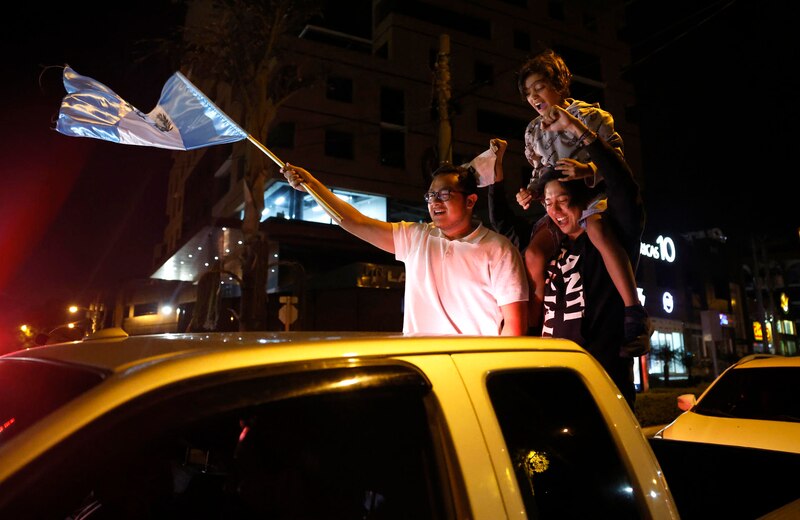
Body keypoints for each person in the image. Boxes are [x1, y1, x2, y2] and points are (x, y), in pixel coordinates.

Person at [280, 162, 529, 336]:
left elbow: (514, 326)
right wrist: (313, 187)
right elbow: (356, 222)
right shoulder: (416, 237)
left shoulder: (498, 249)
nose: (434, 203)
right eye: (430, 197)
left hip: (472, 369)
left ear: (470, 201)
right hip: (421, 365)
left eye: (444, 195)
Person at [514, 49, 650, 349]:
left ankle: (633, 309)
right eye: (528, 93)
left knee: (598, 230)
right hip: (558, 208)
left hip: (592, 200)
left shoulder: (591, 116)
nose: (534, 97)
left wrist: (586, 169)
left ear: (560, 84)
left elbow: (616, 160)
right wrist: (531, 192)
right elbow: (539, 172)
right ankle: (533, 326)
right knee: (534, 254)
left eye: (540, 87)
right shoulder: (532, 131)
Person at [524, 104, 645, 408]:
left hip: (603, 381)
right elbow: (504, 227)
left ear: (582, 199)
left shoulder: (608, 235)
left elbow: (623, 186)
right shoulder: (549, 245)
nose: (556, 211)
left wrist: (581, 132)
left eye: (563, 201)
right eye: (549, 204)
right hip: (551, 380)